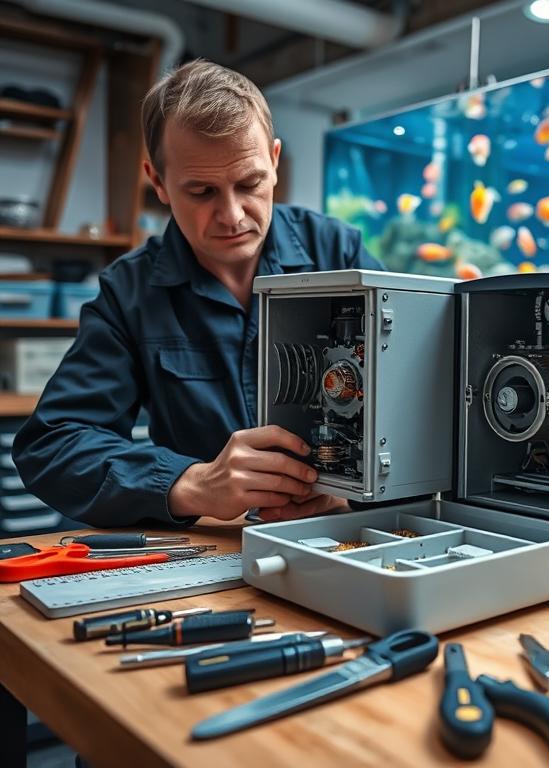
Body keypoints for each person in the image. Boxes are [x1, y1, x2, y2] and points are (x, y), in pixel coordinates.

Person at [13, 60, 382, 528]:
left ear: (273, 160)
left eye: (249, 184)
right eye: (202, 191)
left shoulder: (341, 253)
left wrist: (351, 496)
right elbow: (51, 445)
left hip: (340, 530)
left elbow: (424, 404)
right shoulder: (130, 292)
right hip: (212, 546)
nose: (231, 215)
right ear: (159, 183)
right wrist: (192, 483)